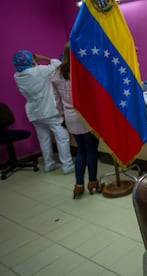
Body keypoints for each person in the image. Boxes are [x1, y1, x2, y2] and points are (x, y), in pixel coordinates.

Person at [50, 42, 100, 199]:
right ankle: (92, 182)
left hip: (70, 117)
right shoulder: (83, 72)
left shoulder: (56, 73)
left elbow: (57, 101)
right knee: (91, 150)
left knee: (81, 151)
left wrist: (62, 115)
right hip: (87, 117)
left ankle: (78, 185)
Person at [13, 50, 75, 175]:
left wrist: (34, 62)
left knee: (44, 139)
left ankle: (49, 164)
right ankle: (67, 165)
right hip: (49, 110)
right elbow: (58, 64)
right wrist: (43, 58)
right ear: (31, 61)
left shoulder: (17, 76)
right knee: (62, 137)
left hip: (34, 113)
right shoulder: (39, 71)